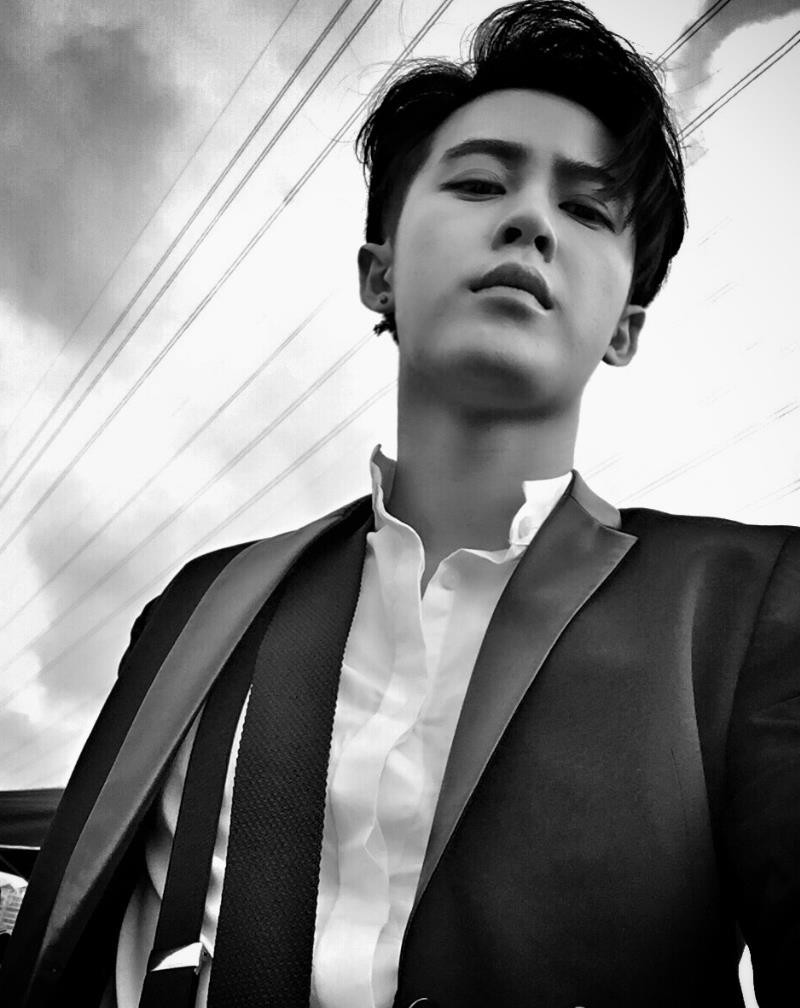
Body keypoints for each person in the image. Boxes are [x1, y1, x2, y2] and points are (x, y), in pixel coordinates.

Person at [2, 1, 798, 1006]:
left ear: (624, 328)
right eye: (478, 182)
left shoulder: (747, 604)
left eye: (589, 210)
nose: (530, 222)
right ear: (378, 275)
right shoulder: (197, 611)